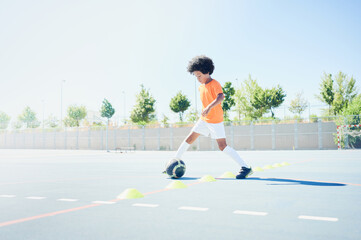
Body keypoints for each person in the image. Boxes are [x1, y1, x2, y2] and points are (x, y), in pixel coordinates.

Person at [172, 55, 252, 179]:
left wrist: (209, 107)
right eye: (195, 76)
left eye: (199, 75)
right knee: (190, 138)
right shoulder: (201, 87)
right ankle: (174, 161)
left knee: (222, 146)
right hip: (204, 120)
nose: (197, 78)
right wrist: (205, 111)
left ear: (207, 72)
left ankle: (245, 167)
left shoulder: (215, 84)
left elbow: (220, 97)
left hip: (215, 120)